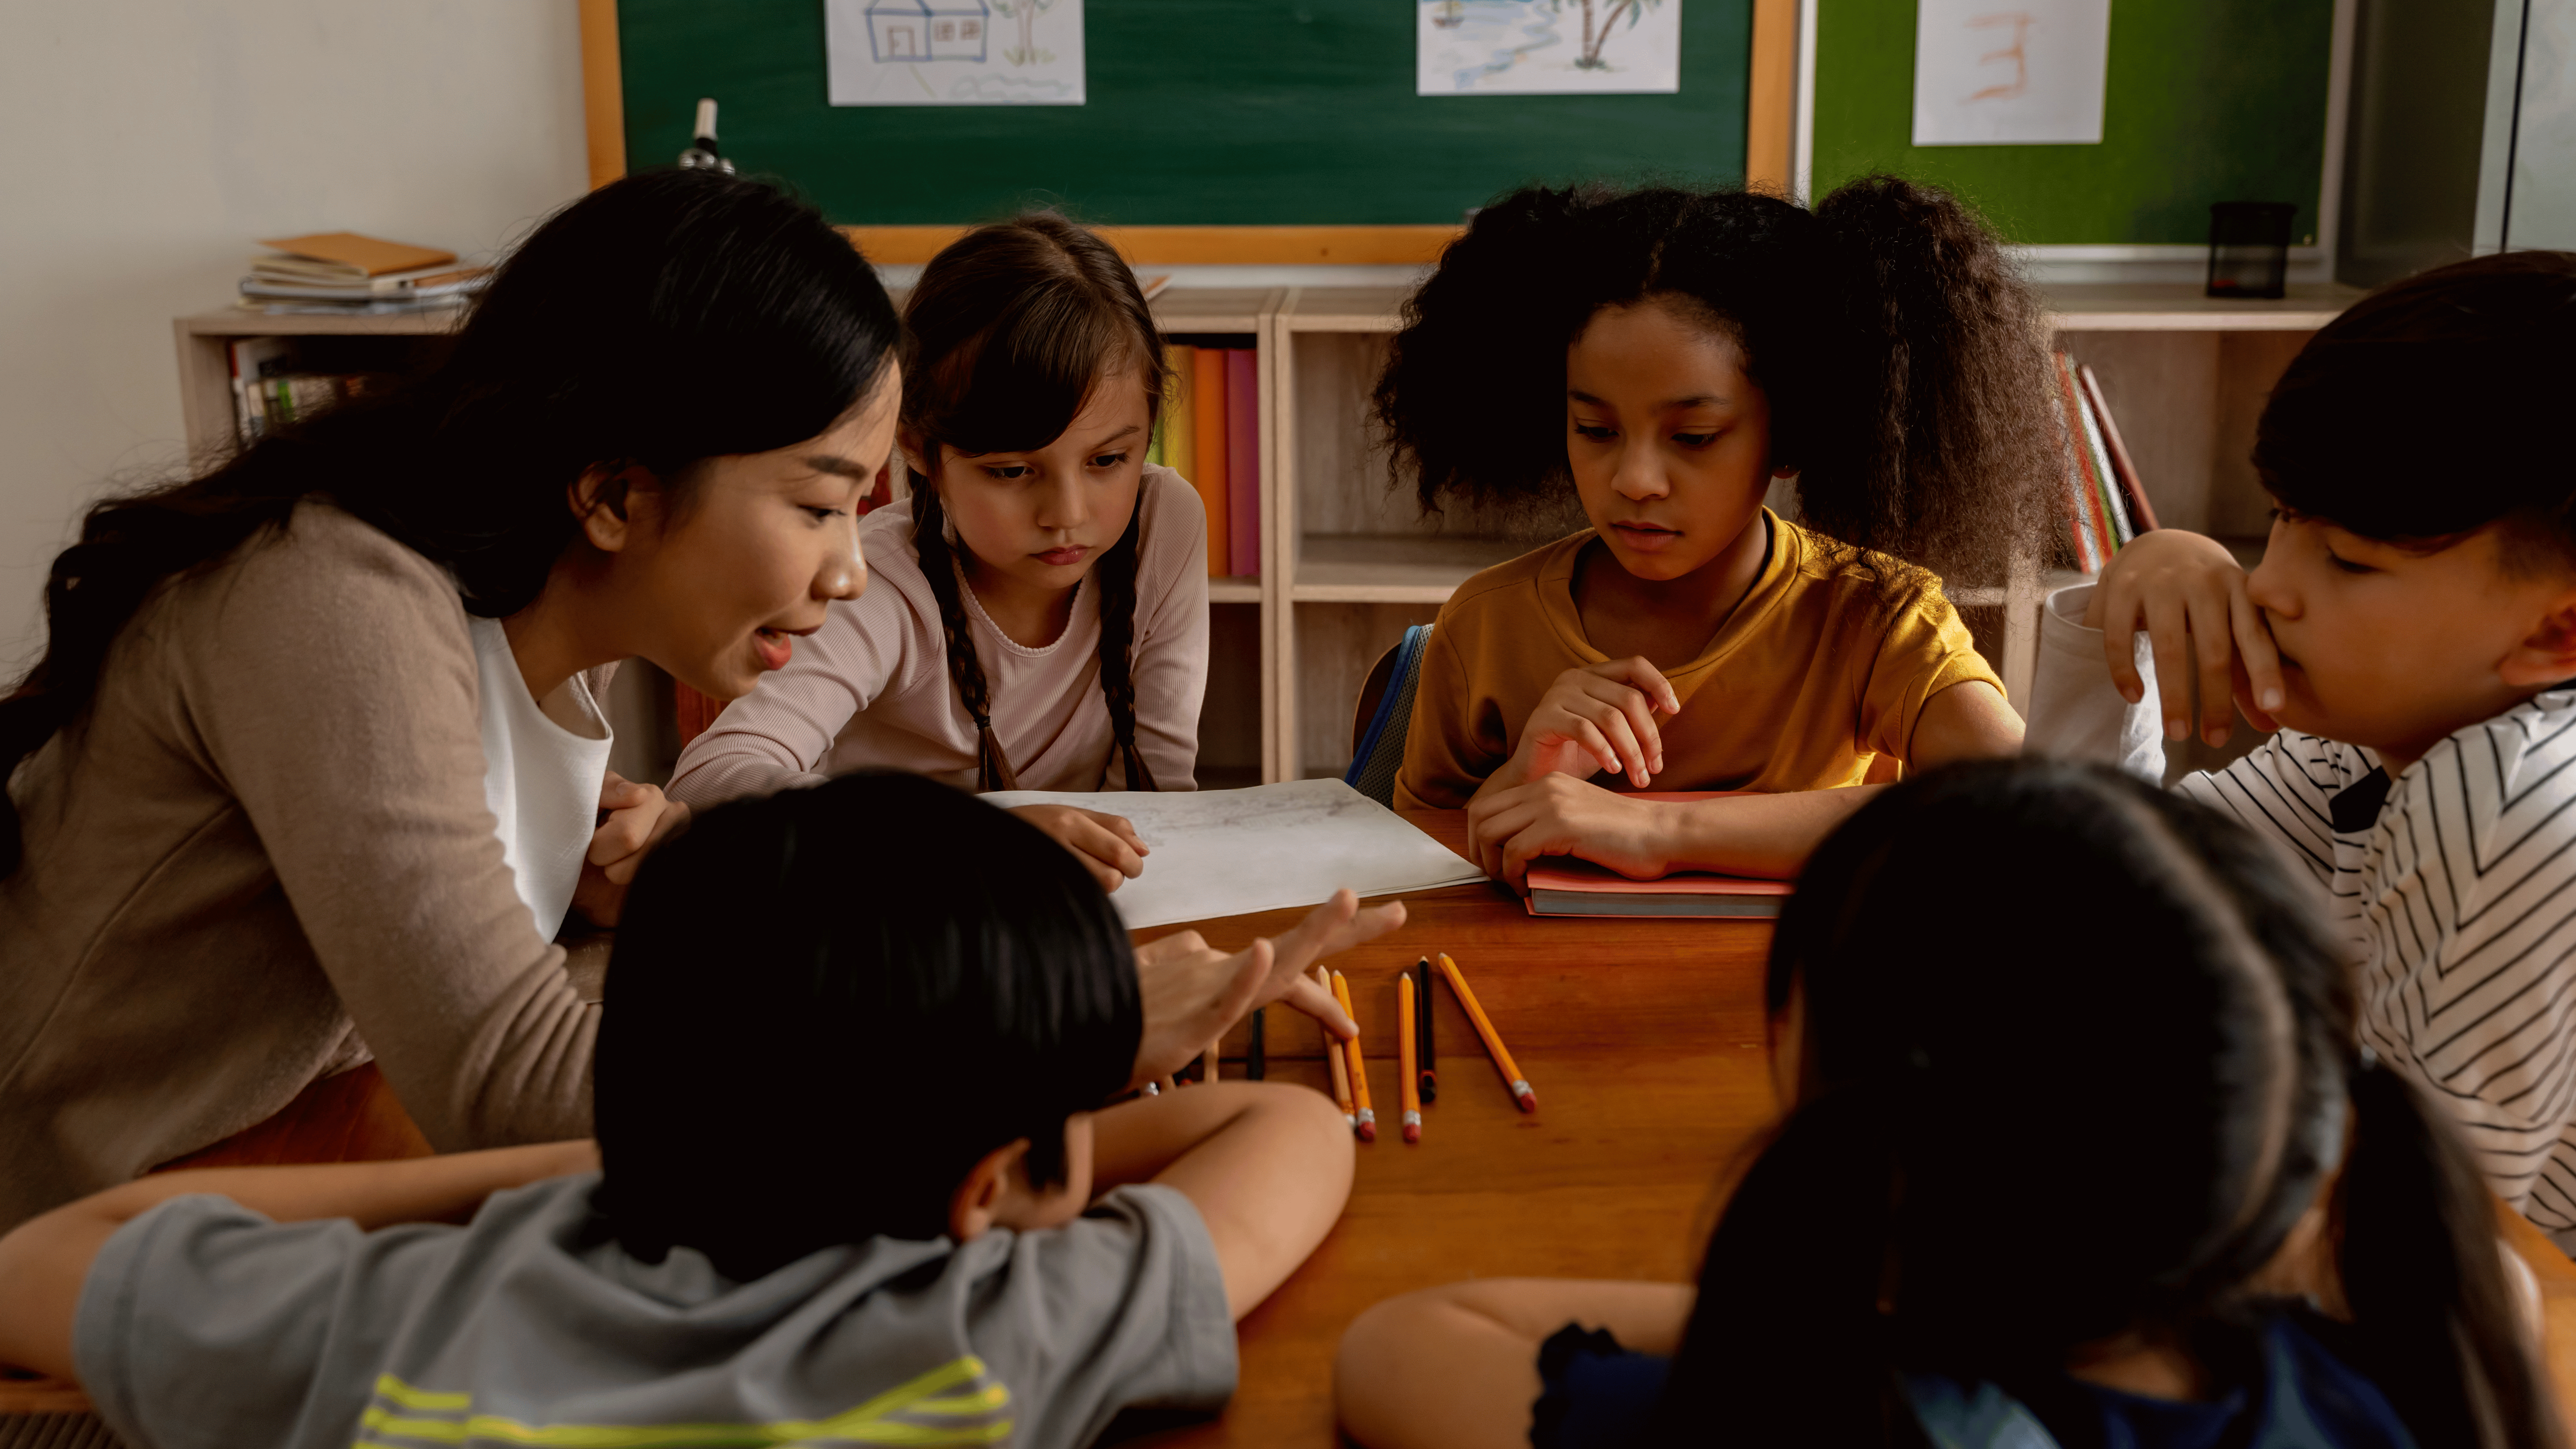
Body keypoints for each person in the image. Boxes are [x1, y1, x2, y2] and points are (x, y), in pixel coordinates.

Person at [0, 173, 1355, 1233]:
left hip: (310, 1166)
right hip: (103, 1264)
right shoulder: (333, 601)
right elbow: (512, 1081)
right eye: (822, 503)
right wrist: (1042, 1021)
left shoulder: (515, 623)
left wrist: (608, 883)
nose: (843, 569)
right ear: (613, 492)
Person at [0, 773, 1373, 1449]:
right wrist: (1046, 1100)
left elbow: (42, 1258)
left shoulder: (399, 1313)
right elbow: (1292, 1134)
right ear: (987, 1188)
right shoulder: (994, 1332)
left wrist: (622, 1159)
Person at [1334, 760, 2560, 1449]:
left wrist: (1849, 1304)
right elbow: (2501, 1286)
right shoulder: (2417, 1369)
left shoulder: (1821, 1417)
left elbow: (1401, 1349)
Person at [2023, 251, 2576, 1250]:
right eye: (2281, 519)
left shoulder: (2507, 802)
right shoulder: (2372, 745)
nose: (2269, 586)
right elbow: (2077, 895)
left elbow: (2417, 1237)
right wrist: (2124, 606)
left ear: (2556, 635)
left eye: (2350, 561)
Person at [1375, 177, 2058, 892]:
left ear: (1792, 431)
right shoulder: (1487, 625)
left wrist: (1665, 831)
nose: (1636, 479)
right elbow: (1417, 874)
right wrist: (1523, 780)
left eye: (1694, 437)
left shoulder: (1877, 618)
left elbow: (2019, 806)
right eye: (1596, 430)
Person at [670, 213, 1208, 895]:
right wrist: (978, 841)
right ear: (921, 449)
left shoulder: (1166, 521)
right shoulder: (875, 581)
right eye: (1012, 471)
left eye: (1109, 459)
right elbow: (715, 780)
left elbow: (1161, 797)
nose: (1068, 514)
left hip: (1071, 923)